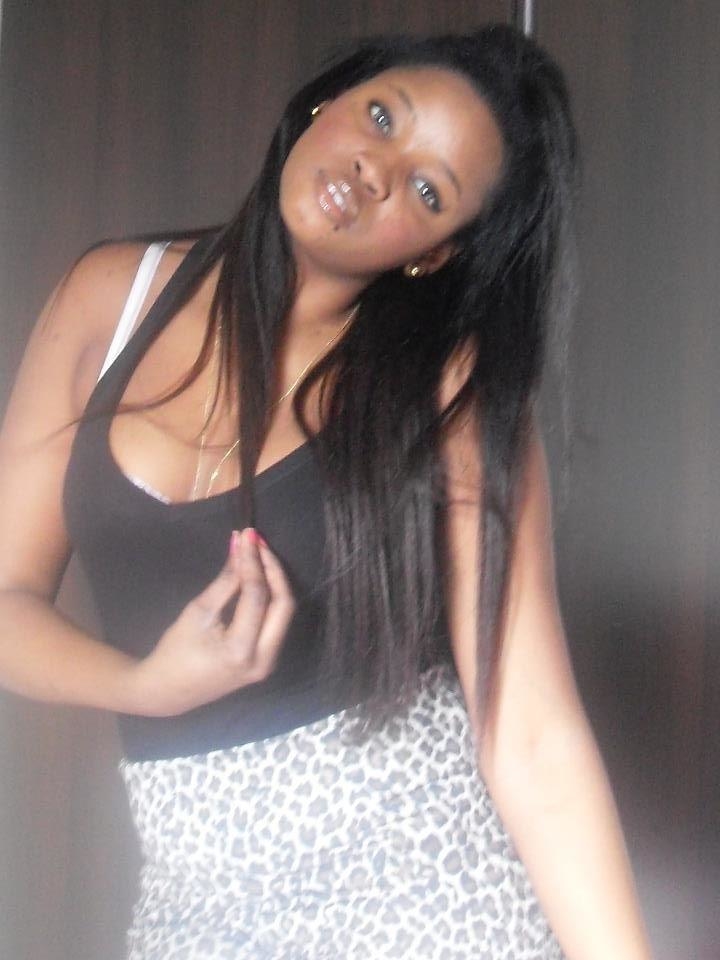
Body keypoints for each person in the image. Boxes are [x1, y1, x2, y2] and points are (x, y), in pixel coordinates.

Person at [0, 24, 652, 960]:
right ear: (324, 103)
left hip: (426, 890)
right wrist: (145, 686)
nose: (376, 171)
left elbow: (533, 732)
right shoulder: (111, 297)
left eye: (428, 190)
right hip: (195, 904)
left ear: (433, 254)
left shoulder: (448, 393)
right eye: (382, 117)